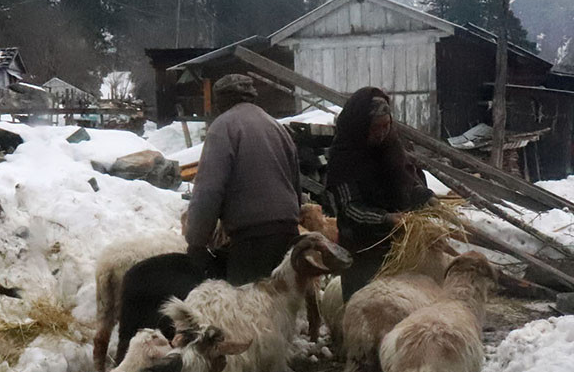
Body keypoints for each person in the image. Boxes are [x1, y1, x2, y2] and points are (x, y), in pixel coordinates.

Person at [184, 73, 301, 285]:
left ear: (222, 100)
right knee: (280, 308)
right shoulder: (275, 126)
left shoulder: (223, 127)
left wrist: (196, 242)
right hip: (287, 233)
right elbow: (295, 184)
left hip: (252, 240)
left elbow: (209, 191)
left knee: (248, 311)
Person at [325, 87, 434, 303]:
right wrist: (386, 219)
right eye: (376, 127)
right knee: (365, 309)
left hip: (396, 250)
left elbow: (406, 183)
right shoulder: (344, 158)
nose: (382, 132)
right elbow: (349, 208)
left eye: (386, 126)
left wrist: (424, 196)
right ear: (362, 126)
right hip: (362, 250)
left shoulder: (391, 148)